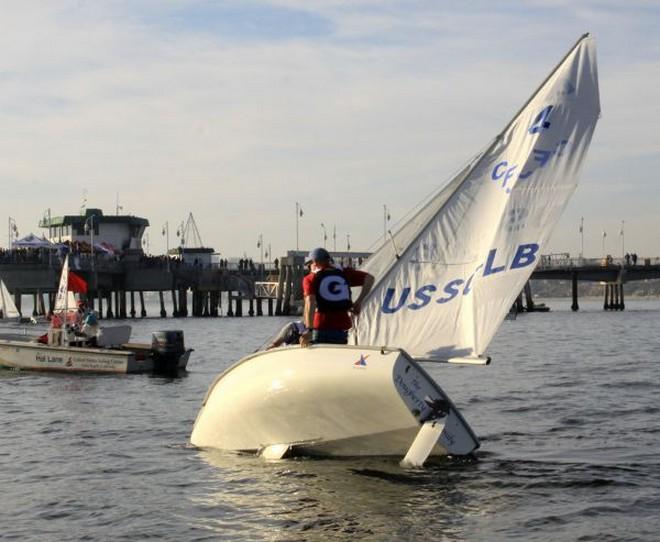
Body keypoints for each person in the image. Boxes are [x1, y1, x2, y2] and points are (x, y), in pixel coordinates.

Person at [300, 247, 374, 347]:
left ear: (315, 262)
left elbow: (310, 301)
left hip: (320, 327)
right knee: (336, 358)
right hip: (341, 328)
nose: (309, 269)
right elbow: (370, 279)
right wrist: (359, 302)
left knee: (318, 360)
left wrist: (309, 330)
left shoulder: (310, 278)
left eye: (309, 265)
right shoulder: (344, 273)